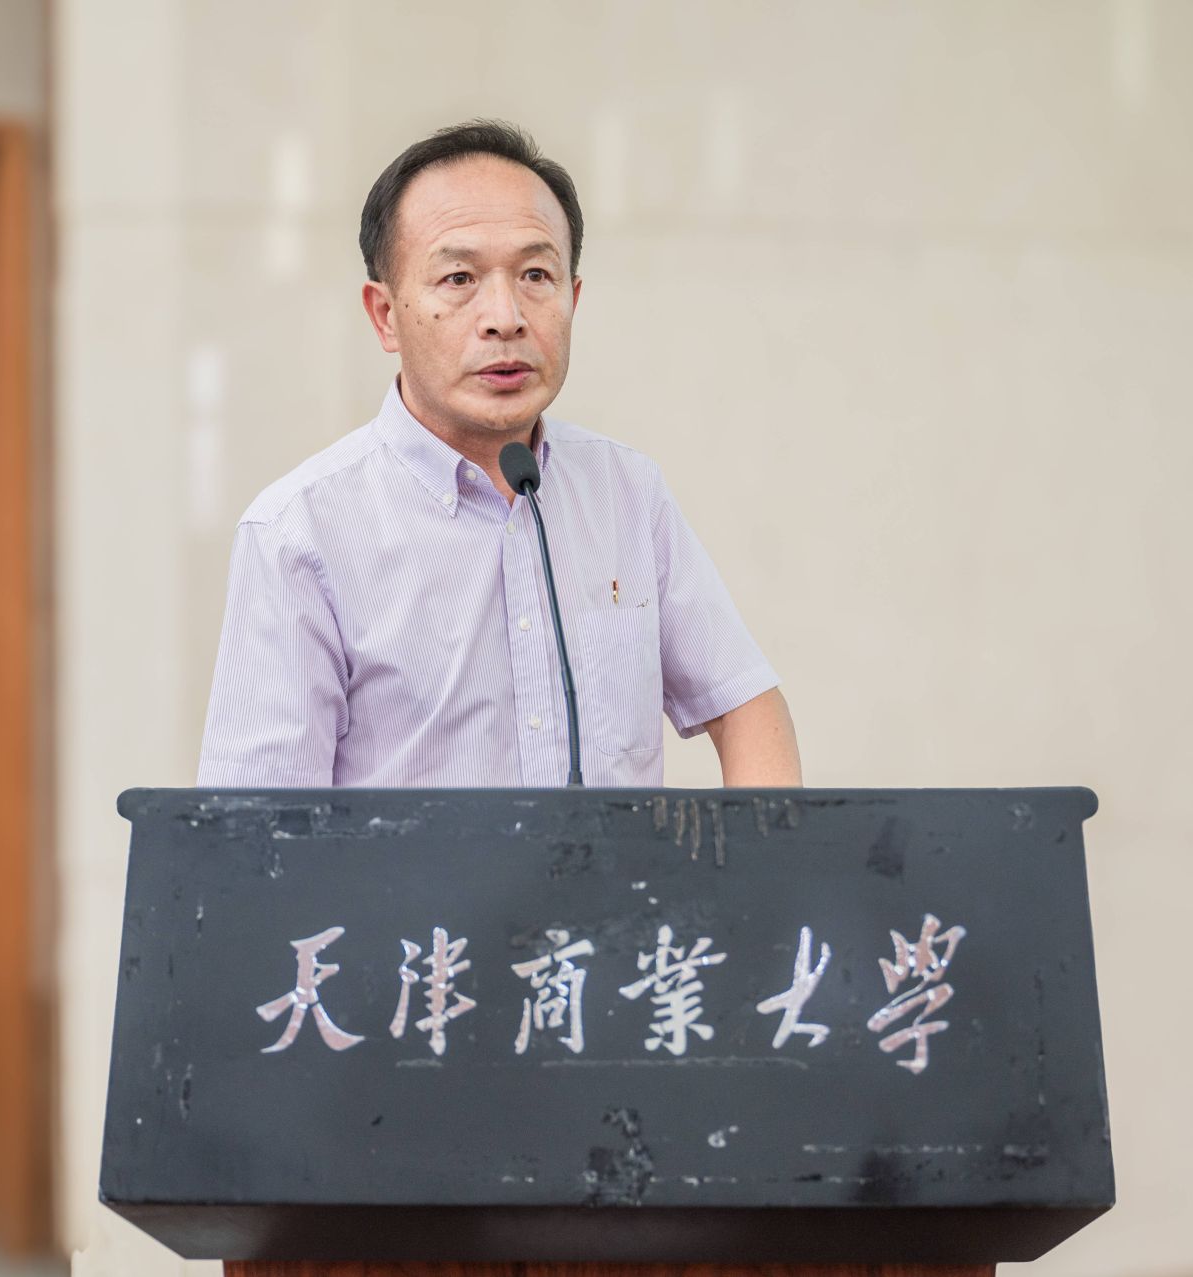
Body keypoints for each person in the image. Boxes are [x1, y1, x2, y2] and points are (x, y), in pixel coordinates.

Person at [197, 120, 801, 788]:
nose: (505, 317)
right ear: (385, 315)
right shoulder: (299, 532)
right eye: (459, 277)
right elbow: (257, 827)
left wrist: (762, 854)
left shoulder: (625, 491)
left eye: (536, 274)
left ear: (572, 299)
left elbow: (746, 707)